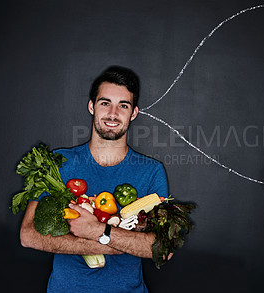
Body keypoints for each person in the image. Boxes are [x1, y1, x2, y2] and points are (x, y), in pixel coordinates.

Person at [20, 66, 169, 293]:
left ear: (134, 113)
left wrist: (100, 232)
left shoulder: (151, 172)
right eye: (105, 103)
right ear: (92, 106)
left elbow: (164, 248)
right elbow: (28, 235)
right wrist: (107, 244)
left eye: (123, 106)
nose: (113, 113)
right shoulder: (58, 163)